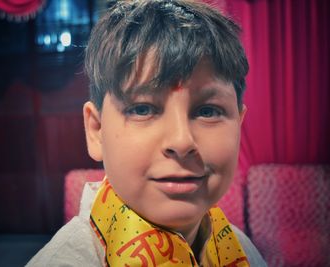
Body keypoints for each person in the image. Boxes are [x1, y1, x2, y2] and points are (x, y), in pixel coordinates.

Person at [27, 0, 267, 266]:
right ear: (96, 130)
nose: (181, 141)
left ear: (238, 126)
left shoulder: (240, 249)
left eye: (208, 111)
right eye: (142, 109)